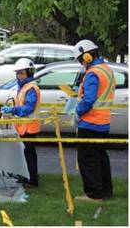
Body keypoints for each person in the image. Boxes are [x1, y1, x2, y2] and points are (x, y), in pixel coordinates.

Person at [73, 40, 114, 202]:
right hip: (103, 123)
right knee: (101, 158)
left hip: (90, 123)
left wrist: (77, 110)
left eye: (80, 59)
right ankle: (105, 190)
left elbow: (88, 100)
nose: (81, 63)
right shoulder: (106, 70)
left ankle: (94, 194)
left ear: (87, 56)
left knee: (88, 160)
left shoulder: (93, 73)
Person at [1, 58, 41, 188]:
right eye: (17, 73)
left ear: (29, 73)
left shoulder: (31, 88)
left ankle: (33, 180)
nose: (19, 76)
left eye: (22, 73)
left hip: (29, 127)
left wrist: (13, 109)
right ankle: (28, 176)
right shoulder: (23, 87)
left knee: (29, 154)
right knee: (27, 153)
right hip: (24, 127)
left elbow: (28, 109)